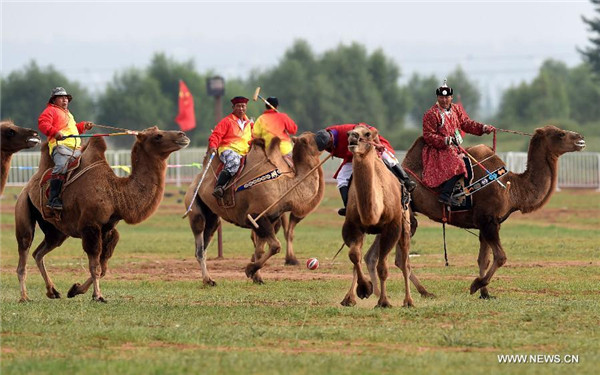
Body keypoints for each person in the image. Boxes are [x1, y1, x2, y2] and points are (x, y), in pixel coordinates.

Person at [314, 123, 416, 216]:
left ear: (330, 138)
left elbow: (372, 129)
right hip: (352, 156)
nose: (327, 147)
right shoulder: (328, 141)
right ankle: (348, 206)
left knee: (388, 158)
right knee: (342, 177)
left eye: (327, 145)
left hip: (371, 147)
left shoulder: (345, 130)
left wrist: (378, 143)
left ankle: (407, 181)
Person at [421, 80, 495, 205]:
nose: (444, 100)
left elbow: (466, 123)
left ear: (451, 97)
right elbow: (428, 136)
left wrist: (483, 128)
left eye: (447, 97)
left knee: (468, 162)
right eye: (441, 97)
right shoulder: (431, 114)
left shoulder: (456, 109)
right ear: (438, 97)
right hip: (438, 150)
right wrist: (445, 140)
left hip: (454, 148)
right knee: (459, 164)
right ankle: (445, 195)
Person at [38, 87, 94, 210]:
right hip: (60, 147)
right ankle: (53, 199)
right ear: (54, 100)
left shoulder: (68, 113)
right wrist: (55, 132)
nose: (65, 100)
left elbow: (73, 130)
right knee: (61, 166)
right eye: (61, 97)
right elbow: (43, 124)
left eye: (66, 98)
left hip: (76, 149)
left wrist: (83, 126)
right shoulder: (50, 110)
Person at [207, 96, 254, 198]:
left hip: (245, 152)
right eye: (238, 106)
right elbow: (216, 135)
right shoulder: (226, 121)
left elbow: (256, 135)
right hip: (228, 149)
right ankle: (219, 187)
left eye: (243, 106)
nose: (241, 108)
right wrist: (213, 146)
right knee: (234, 162)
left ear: (246, 108)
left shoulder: (250, 124)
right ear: (233, 107)